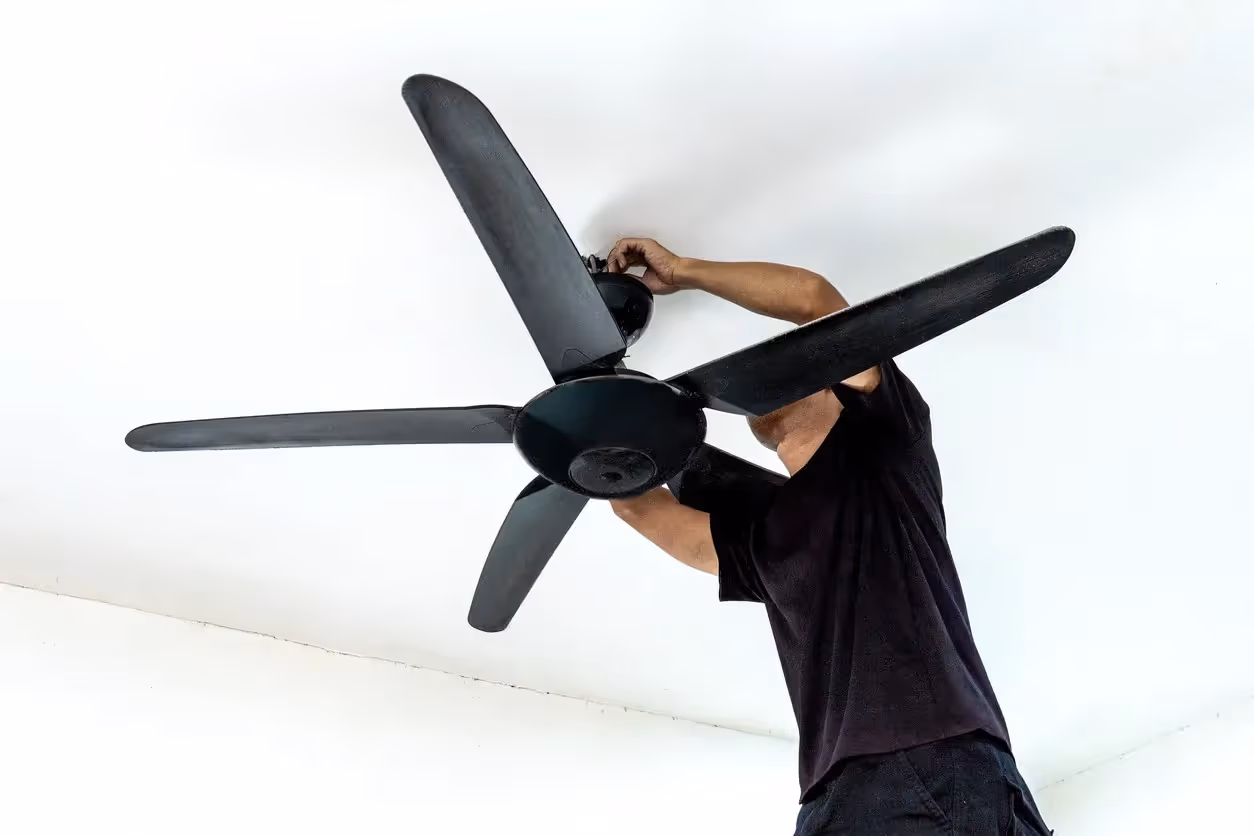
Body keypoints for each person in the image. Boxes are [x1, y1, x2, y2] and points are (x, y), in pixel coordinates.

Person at [605, 238, 1053, 836]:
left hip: (939, 760)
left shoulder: (890, 450)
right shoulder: (764, 539)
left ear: (834, 385)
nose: (771, 375)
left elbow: (815, 301)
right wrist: (597, 404)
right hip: (830, 800)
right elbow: (641, 511)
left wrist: (685, 271)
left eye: (799, 362)